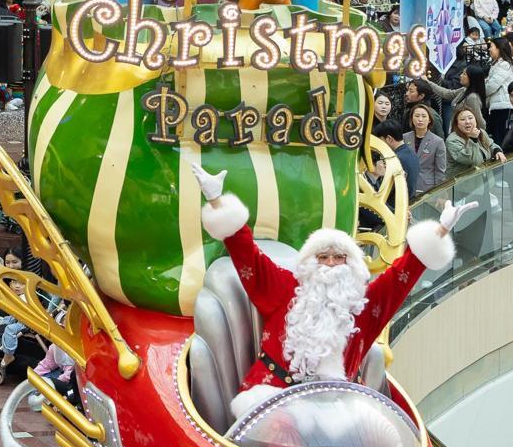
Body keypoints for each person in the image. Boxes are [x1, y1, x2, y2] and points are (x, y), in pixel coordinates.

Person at [193, 162, 471, 418]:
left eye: (339, 258)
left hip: (341, 412)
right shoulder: (286, 288)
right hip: (274, 403)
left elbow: (402, 276)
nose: (330, 264)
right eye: (323, 257)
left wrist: (440, 231)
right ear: (310, 262)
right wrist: (217, 201)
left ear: (352, 265)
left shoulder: (364, 305)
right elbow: (249, 257)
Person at [446, 106, 505, 179]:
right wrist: (473, 139)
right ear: (457, 123)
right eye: (462, 119)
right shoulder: (452, 140)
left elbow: (491, 144)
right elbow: (467, 159)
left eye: (470, 118)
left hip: (485, 178)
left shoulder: (480, 132)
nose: (467, 122)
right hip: (464, 182)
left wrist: (497, 151)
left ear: (476, 120)